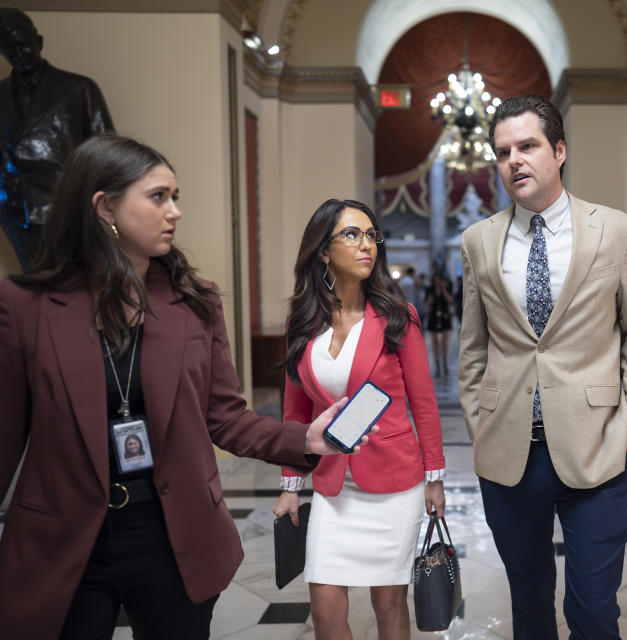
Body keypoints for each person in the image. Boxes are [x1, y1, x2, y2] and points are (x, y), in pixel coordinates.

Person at [0, 135, 367, 640]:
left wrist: (304, 439)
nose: (174, 211)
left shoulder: (195, 301)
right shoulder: (25, 306)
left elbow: (226, 417)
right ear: (105, 206)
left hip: (172, 535)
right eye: (158, 197)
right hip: (64, 542)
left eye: (176, 196)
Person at [458, 94, 627, 639]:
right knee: (528, 608)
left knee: (594, 613)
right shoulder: (478, 242)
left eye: (528, 146)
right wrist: (481, 427)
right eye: (503, 152)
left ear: (560, 150)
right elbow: (473, 349)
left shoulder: (614, 231)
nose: (514, 161)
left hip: (597, 449)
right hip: (508, 455)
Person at [271, 198, 446, 640]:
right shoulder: (302, 322)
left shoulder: (395, 316)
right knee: (326, 610)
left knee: (388, 605)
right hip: (333, 485)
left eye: (371, 235)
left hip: (394, 482)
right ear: (324, 251)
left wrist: (435, 478)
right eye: (352, 234)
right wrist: (291, 486)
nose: (366, 244)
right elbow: (296, 413)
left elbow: (423, 402)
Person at [0, 8, 114, 269]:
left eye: (23, 43)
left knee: (71, 286)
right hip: (14, 208)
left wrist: (101, 207)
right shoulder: (1, 94)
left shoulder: (79, 88)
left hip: (65, 204)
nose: (19, 52)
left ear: (38, 41)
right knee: (33, 285)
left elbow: (108, 152)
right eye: (9, 46)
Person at [424, 271, 454, 377]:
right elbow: (427, 304)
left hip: (444, 317)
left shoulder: (447, 288)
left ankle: (445, 364)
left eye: (439, 280)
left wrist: (444, 289)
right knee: (435, 343)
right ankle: (437, 366)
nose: (437, 282)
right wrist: (430, 299)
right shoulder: (430, 290)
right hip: (433, 317)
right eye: (435, 280)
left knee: (444, 343)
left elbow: (450, 300)